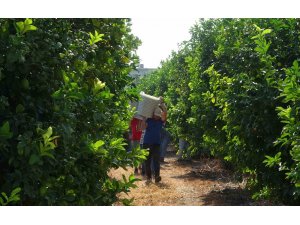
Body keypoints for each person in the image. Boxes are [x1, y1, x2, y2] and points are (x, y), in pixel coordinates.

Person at [143, 106, 167, 183]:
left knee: (156, 161)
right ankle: (149, 177)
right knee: (147, 162)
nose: (156, 116)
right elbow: (143, 126)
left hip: (157, 144)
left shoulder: (161, 121)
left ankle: (157, 176)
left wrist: (163, 106)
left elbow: (165, 115)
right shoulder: (148, 120)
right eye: (155, 115)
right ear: (152, 114)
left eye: (158, 115)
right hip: (146, 143)